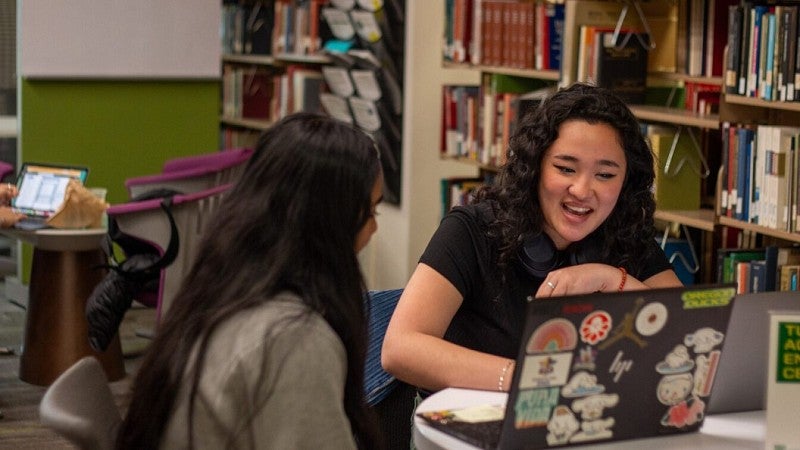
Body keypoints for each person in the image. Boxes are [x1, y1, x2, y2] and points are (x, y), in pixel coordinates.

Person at [382, 83, 682, 394]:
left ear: (626, 182)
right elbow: (400, 349)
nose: (582, 190)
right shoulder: (472, 230)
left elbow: (687, 337)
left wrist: (608, 279)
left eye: (605, 175)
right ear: (535, 167)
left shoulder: (626, 232)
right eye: (565, 168)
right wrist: (529, 377)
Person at [115, 113, 385, 449]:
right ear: (330, 218)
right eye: (371, 212)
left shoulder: (223, 286)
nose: (374, 229)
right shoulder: (294, 338)